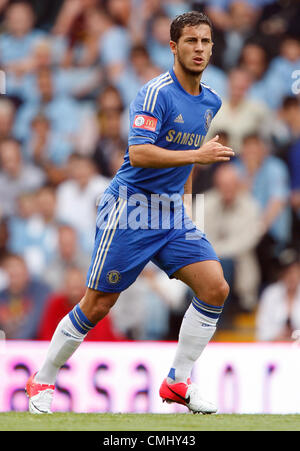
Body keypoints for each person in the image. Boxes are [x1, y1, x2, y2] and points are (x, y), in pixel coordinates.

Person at [26, 11, 234, 415]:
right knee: (98, 303)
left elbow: (186, 158)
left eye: (206, 42)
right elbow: (139, 153)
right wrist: (198, 154)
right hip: (131, 209)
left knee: (215, 288)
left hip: (171, 213)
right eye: (191, 41)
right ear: (173, 47)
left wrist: (188, 206)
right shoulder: (155, 93)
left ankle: (177, 382)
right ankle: (43, 378)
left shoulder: (211, 100)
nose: (200, 49)